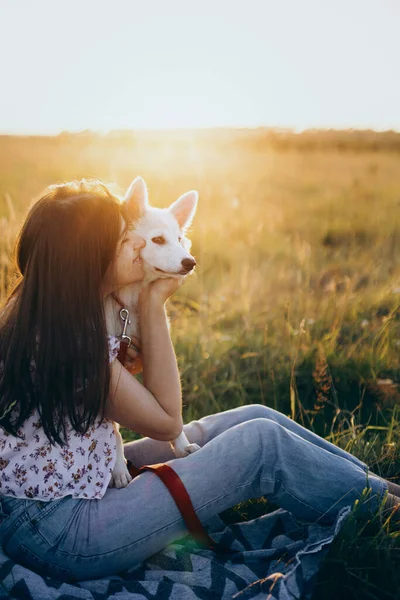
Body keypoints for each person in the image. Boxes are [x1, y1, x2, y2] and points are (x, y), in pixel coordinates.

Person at [0, 179, 398, 584]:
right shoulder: (70, 340)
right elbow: (167, 421)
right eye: (124, 238)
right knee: (261, 445)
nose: (138, 244)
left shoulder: (47, 306)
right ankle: (386, 513)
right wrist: (155, 302)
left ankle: (378, 487)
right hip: (64, 531)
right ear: (85, 258)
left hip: (77, 480)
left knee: (253, 416)